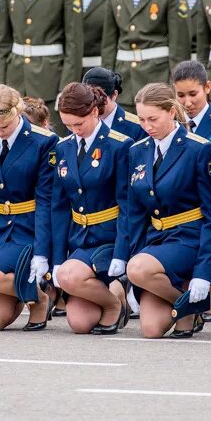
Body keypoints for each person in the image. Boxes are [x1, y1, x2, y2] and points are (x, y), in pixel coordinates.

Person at [125, 82, 211, 338]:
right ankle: (189, 305)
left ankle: (189, 303)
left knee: (139, 269)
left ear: (171, 112)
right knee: (151, 330)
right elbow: (134, 214)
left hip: (189, 236)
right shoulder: (137, 151)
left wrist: (203, 272)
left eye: (153, 118)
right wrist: (128, 268)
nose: (147, 126)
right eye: (142, 119)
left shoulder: (198, 149)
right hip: (156, 239)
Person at [0, 85, 57, 331]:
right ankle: (30, 294)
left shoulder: (43, 142)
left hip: (29, 230)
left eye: (4, 127)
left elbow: (46, 201)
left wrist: (41, 253)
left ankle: (37, 300)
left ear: (18, 113)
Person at [50, 82, 132, 334]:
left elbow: (128, 205)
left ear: (95, 112)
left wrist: (121, 253)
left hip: (109, 236)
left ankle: (113, 305)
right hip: (80, 238)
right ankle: (112, 296)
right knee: (79, 323)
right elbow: (59, 207)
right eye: (68, 125)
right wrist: (56, 259)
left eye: (79, 124)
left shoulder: (119, 145)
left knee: (69, 278)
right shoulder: (64, 147)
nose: (75, 130)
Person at [172, 61, 211, 144]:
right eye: (181, 95)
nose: (187, 103)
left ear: (207, 87)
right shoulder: (170, 124)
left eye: (193, 94)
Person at [82, 67, 144, 141]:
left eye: (101, 100)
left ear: (114, 95)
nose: (94, 105)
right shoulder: (79, 122)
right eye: (89, 101)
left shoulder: (137, 127)